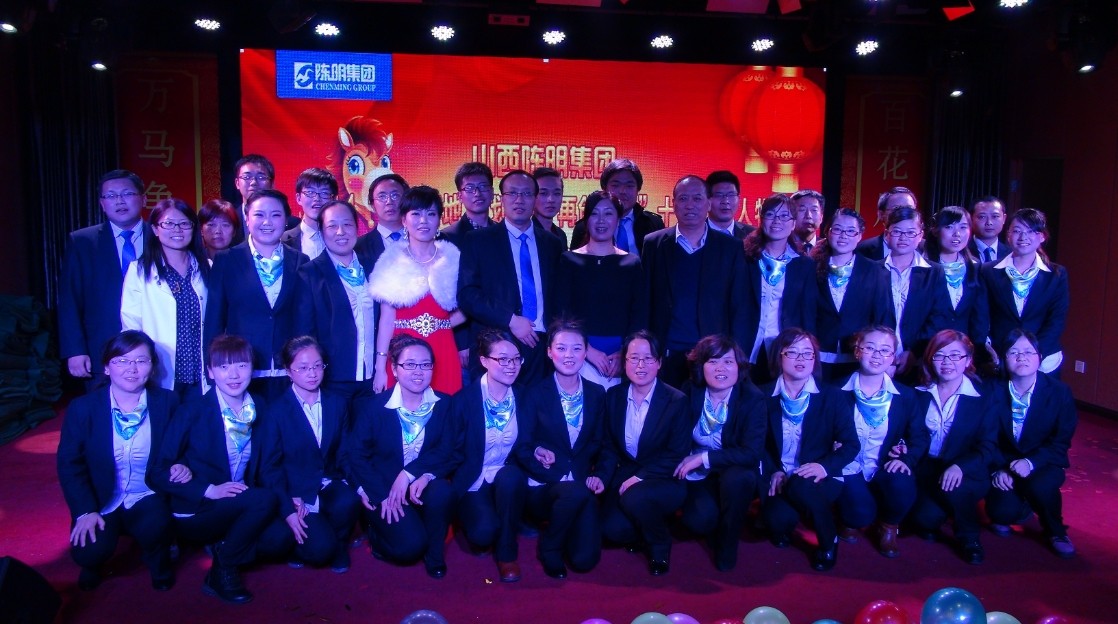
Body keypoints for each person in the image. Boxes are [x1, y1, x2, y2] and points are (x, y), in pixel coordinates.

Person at [153, 334, 289, 604]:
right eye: (224, 367)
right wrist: (208, 490)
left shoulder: (260, 407)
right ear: (210, 372)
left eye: (241, 365)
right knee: (264, 500)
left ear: (252, 368)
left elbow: (269, 464)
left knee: (281, 539)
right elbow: (158, 471)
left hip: (240, 503)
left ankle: (223, 546)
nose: (234, 375)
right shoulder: (192, 410)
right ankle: (223, 569)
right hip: (199, 508)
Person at [57, 330, 183, 591]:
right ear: (106, 367)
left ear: (152, 367)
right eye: (122, 360)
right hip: (102, 499)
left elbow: (183, 447)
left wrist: (181, 466)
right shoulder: (83, 408)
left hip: (147, 493)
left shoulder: (167, 402)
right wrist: (84, 511)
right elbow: (70, 465)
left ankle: (158, 556)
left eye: (141, 361)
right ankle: (95, 560)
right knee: (88, 552)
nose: (132, 369)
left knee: (156, 527)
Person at [348, 335, 458, 578]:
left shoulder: (445, 404)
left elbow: (449, 451)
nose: (418, 371)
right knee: (409, 548)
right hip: (384, 488)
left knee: (442, 491)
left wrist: (415, 474)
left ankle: (435, 556)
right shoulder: (373, 407)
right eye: (409, 364)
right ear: (395, 369)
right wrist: (379, 494)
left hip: (420, 483)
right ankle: (375, 534)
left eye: (425, 364)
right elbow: (355, 455)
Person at [759, 328, 858, 571]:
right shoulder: (762, 395)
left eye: (808, 353)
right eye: (793, 352)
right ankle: (795, 513)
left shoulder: (832, 396)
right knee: (777, 521)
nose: (801, 359)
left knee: (801, 485)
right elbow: (757, 444)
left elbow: (851, 444)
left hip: (821, 475)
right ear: (779, 356)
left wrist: (824, 466)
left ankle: (829, 539)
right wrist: (773, 470)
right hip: (781, 475)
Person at [258, 336, 359, 572]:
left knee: (348, 500)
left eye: (317, 366)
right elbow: (269, 468)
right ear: (288, 371)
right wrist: (287, 506)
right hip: (297, 493)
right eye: (303, 368)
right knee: (320, 551)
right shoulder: (275, 412)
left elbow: (345, 452)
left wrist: (360, 487)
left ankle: (341, 544)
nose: (312, 374)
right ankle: (302, 542)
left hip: (327, 483)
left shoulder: (337, 403)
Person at [641, 175, 750, 386]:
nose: (690, 205)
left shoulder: (731, 247)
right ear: (673, 203)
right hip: (666, 350)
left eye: (697, 198)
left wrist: (735, 353)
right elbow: (645, 299)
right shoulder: (654, 243)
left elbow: (740, 305)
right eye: (683, 198)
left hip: (713, 353)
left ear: (708, 203)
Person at [457, 170, 564, 385]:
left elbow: (559, 296)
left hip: (542, 348)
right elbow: (467, 294)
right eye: (512, 193)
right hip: (496, 345)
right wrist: (510, 320)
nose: (519, 200)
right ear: (501, 199)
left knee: (538, 405)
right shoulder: (478, 240)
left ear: (535, 198)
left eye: (526, 194)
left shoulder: (552, 243)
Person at [598, 331, 690, 576]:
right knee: (611, 530)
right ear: (624, 361)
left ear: (659, 363)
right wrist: (602, 478)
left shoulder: (676, 401)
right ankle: (645, 524)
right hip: (628, 472)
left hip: (665, 476)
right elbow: (609, 446)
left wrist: (640, 478)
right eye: (634, 358)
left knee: (634, 498)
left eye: (648, 358)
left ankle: (660, 544)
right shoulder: (614, 396)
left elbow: (677, 454)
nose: (641, 365)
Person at [204, 189, 310, 400]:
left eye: (276, 215)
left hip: (287, 371)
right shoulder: (226, 260)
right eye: (259, 215)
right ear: (247, 218)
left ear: (286, 219)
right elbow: (214, 320)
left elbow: (304, 319)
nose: (267, 222)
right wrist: (212, 372)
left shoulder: (300, 261)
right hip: (240, 372)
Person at [673, 335, 765, 571]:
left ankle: (728, 541)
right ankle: (714, 518)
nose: (720, 368)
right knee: (698, 521)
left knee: (739, 478)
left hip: (735, 469)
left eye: (728, 362)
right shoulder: (690, 390)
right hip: (700, 474)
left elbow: (751, 453)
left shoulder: (752, 398)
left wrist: (703, 458)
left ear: (739, 366)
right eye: (712, 361)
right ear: (700, 366)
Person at [834, 326, 928, 558]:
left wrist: (906, 457)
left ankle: (889, 526)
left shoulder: (906, 395)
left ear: (893, 357)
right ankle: (852, 516)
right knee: (859, 514)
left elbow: (919, 437)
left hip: (884, 465)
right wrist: (830, 445)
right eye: (870, 348)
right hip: (848, 465)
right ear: (857, 351)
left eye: (885, 350)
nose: (877, 355)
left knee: (902, 483)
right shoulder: (835, 390)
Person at [448, 329, 531, 583]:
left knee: (512, 477)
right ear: (484, 360)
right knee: (483, 534)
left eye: (516, 359)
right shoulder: (463, 401)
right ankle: (479, 517)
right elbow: (451, 451)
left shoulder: (525, 397)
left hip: (506, 476)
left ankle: (507, 554)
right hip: (473, 477)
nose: (511, 365)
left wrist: (539, 450)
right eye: (502, 359)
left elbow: (529, 442)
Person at [987, 330, 1078, 558]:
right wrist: (999, 468)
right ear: (1004, 358)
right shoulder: (991, 390)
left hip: (1043, 462)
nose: (1022, 357)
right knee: (1001, 515)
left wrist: (1030, 462)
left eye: (1029, 352)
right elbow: (984, 437)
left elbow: (1060, 441)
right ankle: (1022, 503)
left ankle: (1056, 530)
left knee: (1039, 486)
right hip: (1005, 463)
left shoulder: (1059, 392)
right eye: (1014, 352)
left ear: (1040, 357)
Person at [910, 330, 997, 565]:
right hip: (927, 467)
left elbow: (988, 446)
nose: (947, 362)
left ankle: (970, 537)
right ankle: (939, 511)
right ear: (930, 359)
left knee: (954, 489)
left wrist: (960, 466)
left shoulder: (983, 397)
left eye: (955, 356)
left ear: (968, 360)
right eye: (939, 355)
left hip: (965, 470)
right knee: (925, 520)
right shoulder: (917, 393)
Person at [369, 186, 466, 395]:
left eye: (431, 214)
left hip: (443, 348)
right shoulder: (391, 261)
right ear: (404, 220)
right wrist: (380, 367)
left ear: (439, 219)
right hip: (402, 352)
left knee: (445, 407)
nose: (423, 221)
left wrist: (440, 324)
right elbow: (386, 320)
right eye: (416, 214)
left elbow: (470, 305)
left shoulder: (454, 259)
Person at [59, 169, 147, 389]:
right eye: (111, 196)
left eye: (127, 193)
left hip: (157, 347)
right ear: (102, 203)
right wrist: (75, 350)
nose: (119, 201)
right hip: (101, 349)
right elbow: (70, 300)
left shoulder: (161, 237)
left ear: (143, 199)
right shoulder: (83, 242)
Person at [554, 191, 647, 389]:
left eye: (608, 213)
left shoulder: (631, 263)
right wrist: (586, 350)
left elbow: (640, 314)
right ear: (586, 220)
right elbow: (562, 313)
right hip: (578, 353)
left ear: (618, 219)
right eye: (595, 214)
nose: (601, 220)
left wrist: (626, 353)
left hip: (621, 356)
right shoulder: (569, 260)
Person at [121, 198, 209, 401]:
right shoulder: (139, 270)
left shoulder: (207, 267)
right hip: (162, 372)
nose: (177, 229)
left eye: (184, 223)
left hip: (203, 372)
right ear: (155, 229)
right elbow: (131, 324)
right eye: (168, 223)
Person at [298, 200, 379, 402]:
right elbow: (305, 332)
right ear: (321, 231)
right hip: (332, 380)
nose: (341, 232)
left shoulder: (374, 267)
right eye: (332, 226)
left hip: (374, 378)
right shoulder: (309, 274)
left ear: (357, 227)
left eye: (347, 224)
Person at [981, 208, 1069, 376]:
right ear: (1008, 235)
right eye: (1017, 231)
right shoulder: (988, 271)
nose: (1023, 237)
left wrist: (1035, 354)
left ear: (1042, 236)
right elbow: (982, 315)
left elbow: (1056, 319)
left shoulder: (1056, 274)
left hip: (1044, 359)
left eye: (1031, 231)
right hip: (1000, 356)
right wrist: (990, 349)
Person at [742, 194, 817, 383]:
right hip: (745, 343)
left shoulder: (804, 265)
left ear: (793, 224)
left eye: (784, 216)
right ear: (761, 219)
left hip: (785, 346)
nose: (777, 221)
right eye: (770, 215)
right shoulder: (744, 259)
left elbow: (807, 313)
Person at [811, 208, 892, 382]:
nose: (843, 236)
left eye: (850, 231)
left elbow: (883, 316)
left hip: (858, 357)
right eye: (838, 229)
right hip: (817, 356)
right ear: (828, 232)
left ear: (859, 236)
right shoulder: (810, 267)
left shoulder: (874, 270)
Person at [881, 206, 944, 382]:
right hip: (878, 360)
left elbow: (938, 316)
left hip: (919, 362)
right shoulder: (873, 269)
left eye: (910, 233)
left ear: (920, 235)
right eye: (897, 232)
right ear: (886, 234)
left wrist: (914, 352)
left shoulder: (934, 272)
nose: (903, 238)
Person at [924, 206, 991, 364]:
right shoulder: (923, 267)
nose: (957, 234)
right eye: (949, 227)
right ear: (935, 230)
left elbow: (980, 315)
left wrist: (978, 349)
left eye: (963, 227)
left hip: (963, 354)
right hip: (927, 349)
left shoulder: (976, 267)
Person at [570, 158, 665, 251]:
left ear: (638, 189)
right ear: (604, 188)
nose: (622, 191)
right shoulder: (585, 227)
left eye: (629, 186)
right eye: (615, 185)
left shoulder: (654, 224)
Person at [281, 168, 338, 260]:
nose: (317, 199)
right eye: (310, 192)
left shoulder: (343, 239)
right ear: (298, 198)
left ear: (334, 199)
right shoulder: (282, 240)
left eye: (324, 193)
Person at [353, 173, 410, 265]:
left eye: (395, 195)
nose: (389, 202)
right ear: (372, 205)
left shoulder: (424, 240)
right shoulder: (358, 247)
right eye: (382, 197)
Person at [439, 162, 496, 246]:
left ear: (492, 192)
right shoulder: (447, 237)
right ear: (460, 196)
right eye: (469, 188)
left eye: (483, 186)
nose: (477, 193)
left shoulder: (504, 233)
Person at [855, 186, 918, 261]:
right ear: (881, 214)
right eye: (896, 208)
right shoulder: (862, 250)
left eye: (909, 209)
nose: (903, 214)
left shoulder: (926, 249)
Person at [231, 154, 276, 244]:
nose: (253, 182)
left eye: (261, 177)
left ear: (272, 184)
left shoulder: (291, 224)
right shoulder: (228, 221)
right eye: (247, 177)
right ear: (237, 183)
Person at [705, 170, 755, 240]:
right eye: (719, 195)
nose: (726, 201)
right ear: (707, 199)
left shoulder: (753, 235)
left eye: (731, 195)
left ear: (739, 199)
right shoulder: (694, 232)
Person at [533, 167, 569, 249]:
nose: (551, 200)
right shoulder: (526, 234)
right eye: (543, 193)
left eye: (556, 193)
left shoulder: (561, 235)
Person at [968, 196, 1009, 263]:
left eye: (995, 216)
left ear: (1004, 219)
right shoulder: (961, 251)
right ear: (971, 219)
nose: (989, 223)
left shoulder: (1012, 254)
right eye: (982, 217)